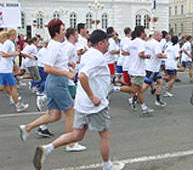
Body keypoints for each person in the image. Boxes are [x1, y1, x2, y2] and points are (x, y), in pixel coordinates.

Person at [32, 29, 125, 170]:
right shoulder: (98, 57)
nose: (109, 45)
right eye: (107, 42)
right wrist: (93, 97)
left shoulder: (88, 55)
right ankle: (107, 166)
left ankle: (47, 148)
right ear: (101, 43)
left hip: (82, 104)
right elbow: (82, 76)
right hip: (95, 105)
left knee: (77, 135)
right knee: (105, 135)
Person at [19, 19, 86, 152]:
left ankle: (27, 127)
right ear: (56, 32)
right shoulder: (55, 45)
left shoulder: (56, 45)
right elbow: (48, 68)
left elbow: (55, 63)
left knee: (54, 115)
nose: (65, 31)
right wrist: (66, 73)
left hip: (55, 82)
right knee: (70, 112)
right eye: (62, 29)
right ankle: (71, 143)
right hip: (57, 82)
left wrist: (68, 64)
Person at [125, 26, 154, 114]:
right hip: (138, 70)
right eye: (144, 31)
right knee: (135, 90)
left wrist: (132, 56)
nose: (145, 33)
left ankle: (143, 107)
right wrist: (147, 56)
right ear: (141, 33)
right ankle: (115, 88)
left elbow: (125, 52)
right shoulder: (141, 42)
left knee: (139, 90)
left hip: (132, 68)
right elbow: (140, 54)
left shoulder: (132, 42)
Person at [0, 28, 29, 112]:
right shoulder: (8, 43)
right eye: (15, 35)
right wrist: (15, 53)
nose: (16, 37)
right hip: (6, 69)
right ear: (13, 35)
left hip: (4, 68)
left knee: (4, 86)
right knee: (13, 87)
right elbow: (4, 55)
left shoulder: (6, 43)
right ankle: (18, 105)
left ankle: (13, 99)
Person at [142, 31, 167, 107]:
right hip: (152, 68)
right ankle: (135, 97)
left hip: (151, 66)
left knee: (160, 82)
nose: (161, 38)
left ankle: (158, 100)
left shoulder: (148, 42)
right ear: (156, 36)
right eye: (161, 36)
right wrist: (164, 56)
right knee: (145, 85)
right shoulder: (157, 44)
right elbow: (158, 55)